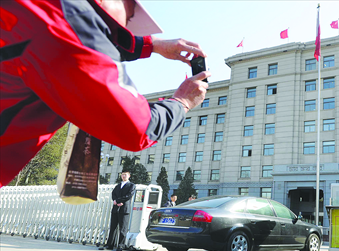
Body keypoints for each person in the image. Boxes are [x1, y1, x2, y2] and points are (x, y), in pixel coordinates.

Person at [0, 0, 210, 187]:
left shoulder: (47, 11)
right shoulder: (66, 25)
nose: (128, 26)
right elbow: (137, 128)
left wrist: (152, 45)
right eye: (130, 17)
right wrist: (181, 102)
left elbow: (96, 35)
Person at [101, 171, 136, 251]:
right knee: (112, 227)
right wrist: (115, 200)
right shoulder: (117, 186)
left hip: (124, 209)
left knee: (123, 228)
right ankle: (109, 245)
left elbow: (129, 195)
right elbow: (113, 194)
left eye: (125, 175)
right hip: (115, 209)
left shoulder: (131, 185)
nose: (123, 176)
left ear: (129, 176)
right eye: (122, 175)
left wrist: (119, 201)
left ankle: (121, 245)